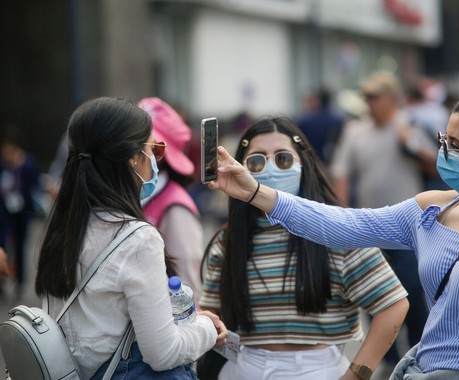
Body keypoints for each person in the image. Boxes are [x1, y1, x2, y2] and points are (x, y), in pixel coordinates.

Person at [208, 90, 459, 379]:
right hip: (423, 370)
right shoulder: (433, 208)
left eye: (455, 146)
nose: (442, 153)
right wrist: (255, 193)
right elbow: (341, 225)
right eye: (442, 140)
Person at [199, 116, 409, 380]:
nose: (271, 168)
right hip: (243, 366)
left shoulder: (338, 232)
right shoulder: (226, 241)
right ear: (241, 169)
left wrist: (357, 375)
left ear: (304, 164)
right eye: (257, 161)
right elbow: (212, 314)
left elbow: (392, 305)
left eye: (283, 159)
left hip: (317, 369)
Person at [34, 97, 227, 379]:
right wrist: (207, 329)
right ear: (134, 159)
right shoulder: (137, 239)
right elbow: (163, 353)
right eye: (154, 149)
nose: (156, 161)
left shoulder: (64, 225)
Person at [331, 71, 432, 369]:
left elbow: (435, 164)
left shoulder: (409, 126)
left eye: (374, 97)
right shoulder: (355, 131)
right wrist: (343, 217)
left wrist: (410, 144)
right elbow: (341, 173)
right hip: (370, 228)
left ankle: (418, 351)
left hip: (410, 227)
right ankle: (386, 356)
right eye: (366, 98)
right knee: (371, 290)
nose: (369, 103)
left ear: (391, 99)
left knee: (413, 288)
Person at [138, 97, 205, 299]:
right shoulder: (135, 196)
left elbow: (188, 288)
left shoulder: (176, 208)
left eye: (143, 145)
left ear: (160, 153)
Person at [0, 133, 41, 298]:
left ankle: (20, 282)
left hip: (22, 212)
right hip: (4, 213)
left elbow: (35, 184)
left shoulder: (28, 163)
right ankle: (2, 282)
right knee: (3, 245)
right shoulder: (3, 165)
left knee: (21, 247)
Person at [297, 88, 345, 167]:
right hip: (336, 162)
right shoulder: (339, 120)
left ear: (318, 100)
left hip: (314, 163)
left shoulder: (306, 121)